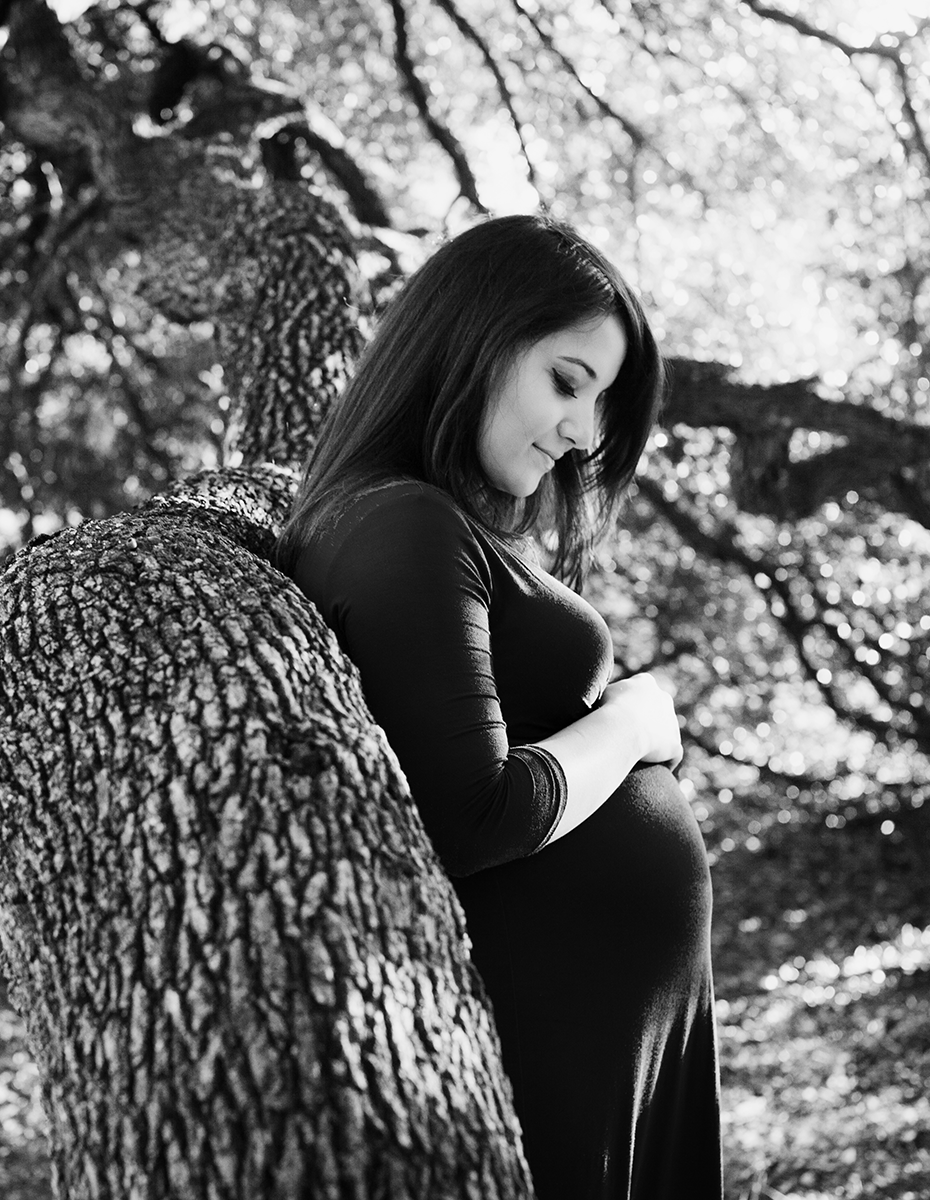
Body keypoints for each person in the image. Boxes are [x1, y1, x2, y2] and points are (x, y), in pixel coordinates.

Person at [277, 214, 721, 1198]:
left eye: (601, 404)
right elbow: (472, 815)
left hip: (594, 1031)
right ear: (474, 339)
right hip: (548, 1047)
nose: (583, 435)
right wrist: (636, 721)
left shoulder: (405, 519)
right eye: (568, 381)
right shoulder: (403, 524)